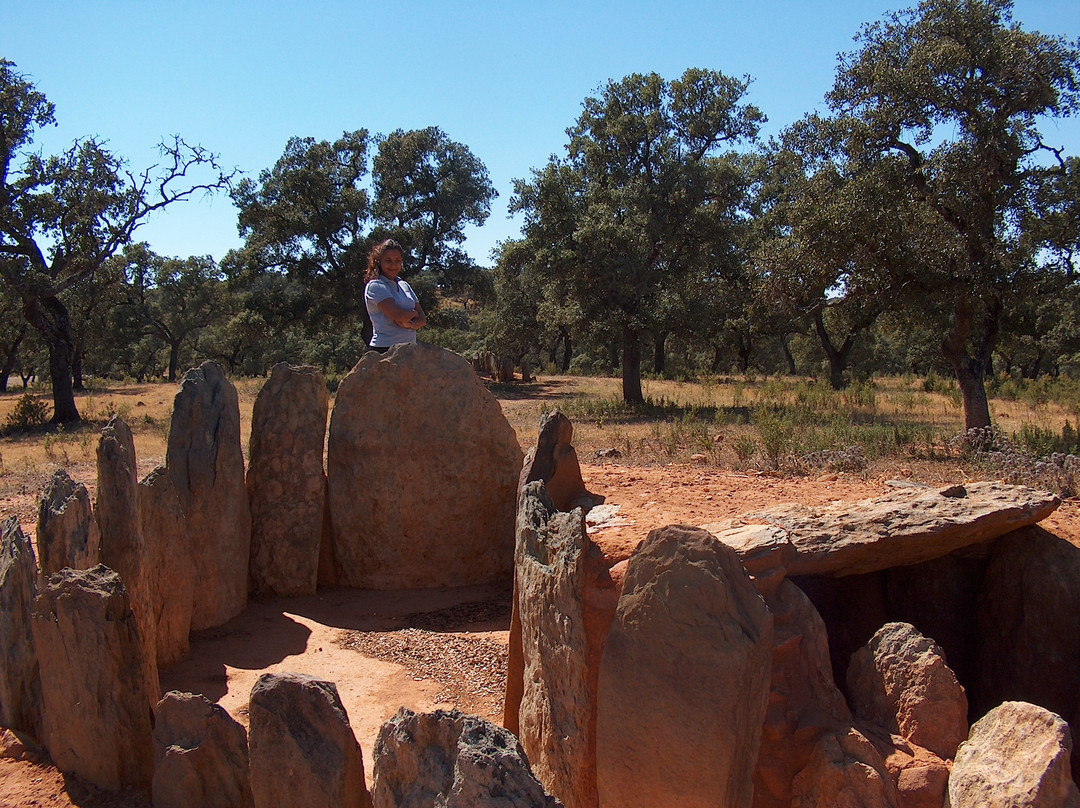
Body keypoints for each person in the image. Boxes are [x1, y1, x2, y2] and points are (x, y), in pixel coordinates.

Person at [363, 238, 426, 352]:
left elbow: (422, 319)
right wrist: (414, 313)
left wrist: (410, 325)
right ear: (379, 261)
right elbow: (398, 315)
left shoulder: (404, 285)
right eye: (388, 260)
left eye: (397, 261)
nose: (393, 265)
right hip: (385, 349)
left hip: (409, 348)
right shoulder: (376, 286)